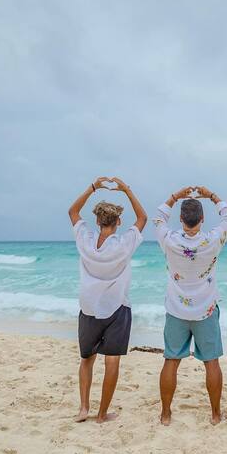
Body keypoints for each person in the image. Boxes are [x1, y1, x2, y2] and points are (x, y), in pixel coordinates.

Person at [154, 186, 227, 426]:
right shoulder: (212, 240)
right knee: (211, 362)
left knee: (171, 360)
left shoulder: (169, 240)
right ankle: (215, 415)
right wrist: (212, 196)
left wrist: (174, 196)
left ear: (181, 219)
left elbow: (158, 217)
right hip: (206, 311)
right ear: (202, 219)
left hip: (176, 310)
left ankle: (166, 414)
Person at [67, 176, 146, 423]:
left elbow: (72, 211)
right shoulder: (123, 245)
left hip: (88, 308)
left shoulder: (84, 240)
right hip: (116, 309)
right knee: (112, 362)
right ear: (118, 221)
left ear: (97, 221)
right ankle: (102, 414)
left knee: (86, 360)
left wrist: (93, 187)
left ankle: (83, 408)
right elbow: (142, 218)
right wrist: (126, 189)